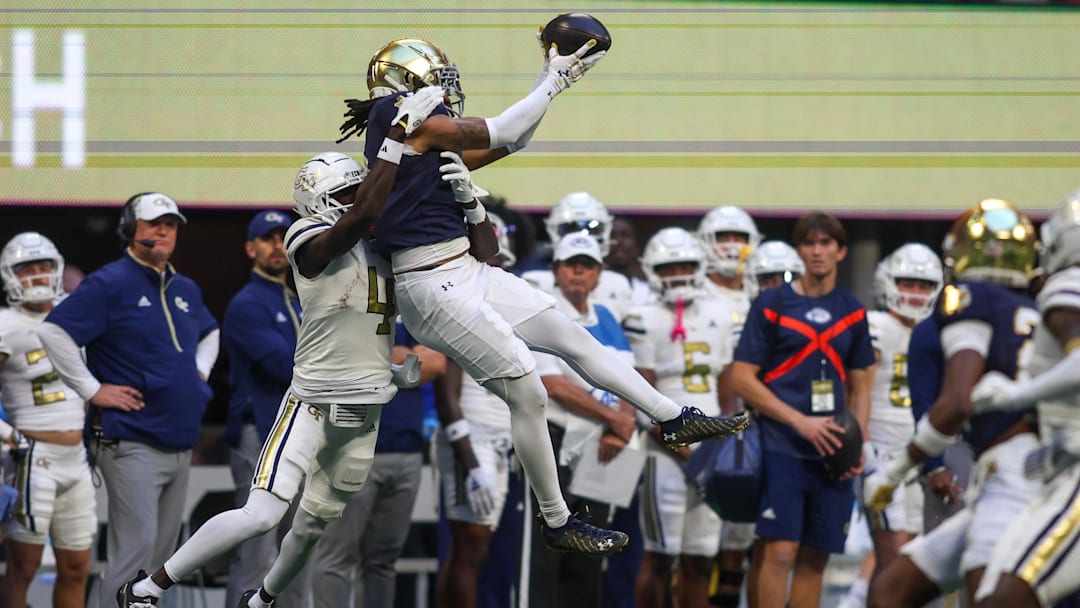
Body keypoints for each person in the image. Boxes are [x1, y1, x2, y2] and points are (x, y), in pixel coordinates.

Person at [343, 36, 750, 555]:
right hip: (432, 283)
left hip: (463, 268)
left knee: (570, 336)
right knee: (530, 390)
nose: (446, 92)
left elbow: (513, 142)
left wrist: (549, 78)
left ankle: (672, 418)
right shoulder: (395, 116)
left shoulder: (421, 135)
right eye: (436, 80)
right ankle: (558, 521)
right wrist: (554, 80)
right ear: (406, 84)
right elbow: (505, 127)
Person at [110, 86, 447, 608]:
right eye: (345, 196)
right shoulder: (306, 239)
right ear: (318, 203)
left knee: (312, 530)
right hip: (312, 402)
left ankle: (261, 599)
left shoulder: (384, 247)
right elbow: (359, 217)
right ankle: (148, 588)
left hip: (364, 412)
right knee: (262, 514)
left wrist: (462, 195)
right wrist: (396, 139)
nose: (358, 203)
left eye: (357, 193)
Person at [36, 192, 219, 608]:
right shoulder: (109, 282)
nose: (163, 230)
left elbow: (210, 331)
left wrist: (200, 374)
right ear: (129, 230)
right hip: (131, 439)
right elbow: (53, 333)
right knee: (133, 554)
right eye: (153, 223)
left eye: (170, 224)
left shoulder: (184, 287)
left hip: (178, 440)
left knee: (161, 563)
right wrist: (92, 388)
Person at [863, 199, 1041, 608]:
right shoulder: (1037, 311)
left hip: (1014, 471)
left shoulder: (970, 299)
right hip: (1012, 468)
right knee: (889, 592)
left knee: (982, 596)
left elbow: (957, 399)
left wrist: (894, 472)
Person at [731, 211, 875, 608]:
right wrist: (801, 422)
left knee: (816, 557)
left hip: (834, 453)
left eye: (826, 243)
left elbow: (862, 386)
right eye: (809, 243)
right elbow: (742, 378)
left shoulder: (853, 312)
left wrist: (855, 443)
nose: (817, 251)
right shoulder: (771, 304)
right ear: (799, 251)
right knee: (778, 552)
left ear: (841, 251)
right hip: (782, 446)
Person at [965, 192, 1080, 607]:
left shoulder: (1068, 284)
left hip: (1072, 478)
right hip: (1057, 464)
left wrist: (1017, 393)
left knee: (1007, 596)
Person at [523, 233, 641, 608]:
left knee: (594, 557)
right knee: (546, 555)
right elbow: (552, 383)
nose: (578, 271)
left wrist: (622, 427)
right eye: (570, 263)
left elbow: (630, 379)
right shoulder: (543, 313)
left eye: (587, 264)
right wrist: (614, 419)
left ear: (599, 274)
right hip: (557, 444)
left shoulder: (606, 317)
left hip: (606, 449)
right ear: (555, 271)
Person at [623, 227, 737, 608]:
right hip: (665, 452)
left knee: (700, 559)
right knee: (659, 556)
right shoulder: (644, 317)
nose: (679, 275)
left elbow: (726, 389)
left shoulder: (721, 314)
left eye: (686, 265)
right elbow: (642, 398)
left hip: (711, 451)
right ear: (654, 270)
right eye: (670, 268)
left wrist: (723, 446)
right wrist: (687, 451)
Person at [311, 318, 446, 608]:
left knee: (384, 559)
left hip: (407, 451)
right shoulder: (348, 301)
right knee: (337, 555)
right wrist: (407, 357)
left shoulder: (409, 312)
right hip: (352, 448)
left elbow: (437, 363)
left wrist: (381, 356)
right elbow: (348, 359)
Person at [838, 243, 944, 608]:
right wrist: (864, 449)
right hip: (882, 453)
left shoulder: (935, 330)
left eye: (923, 285)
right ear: (888, 282)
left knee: (913, 553)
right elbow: (857, 392)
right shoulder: (876, 326)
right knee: (892, 554)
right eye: (907, 283)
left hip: (921, 456)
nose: (914, 293)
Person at [0, 232, 96, 608]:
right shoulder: (6, 323)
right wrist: (7, 434)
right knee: (23, 568)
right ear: (10, 275)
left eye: (44, 267)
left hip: (77, 458)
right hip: (32, 457)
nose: (38, 276)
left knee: (76, 568)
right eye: (28, 268)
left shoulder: (74, 312)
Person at [434, 211, 521, 608]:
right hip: (472, 438)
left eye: (498, 261)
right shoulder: (458, 304)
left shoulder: (507, 308)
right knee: (469, 547)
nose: (493, 268)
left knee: (477, 549)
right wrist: (470, 463)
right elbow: (447, 396)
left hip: (499, 438)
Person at [222, 210, 308, 608]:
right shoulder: (247, 303)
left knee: (296, 548)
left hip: (297, 432)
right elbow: (285, 364)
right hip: (259, 431)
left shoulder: (299, 296)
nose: (277, 245)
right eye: (268, 238)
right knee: (256, 547)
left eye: (282, 237)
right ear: (249, 248)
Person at [523, 193, 635, 321]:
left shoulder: (618, 284)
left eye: (592, 229)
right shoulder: (534, 282)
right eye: (571, 228)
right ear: (554, 270)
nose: (581, 237)